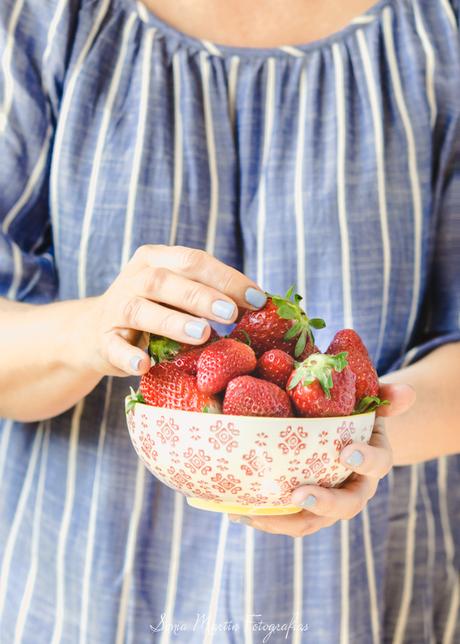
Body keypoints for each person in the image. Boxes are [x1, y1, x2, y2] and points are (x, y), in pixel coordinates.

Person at [0, 0, 459, 641]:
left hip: (354, 586)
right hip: (86, 590)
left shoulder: (441, 30)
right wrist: (91, 333)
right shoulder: (46, 19)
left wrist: (360, 445)